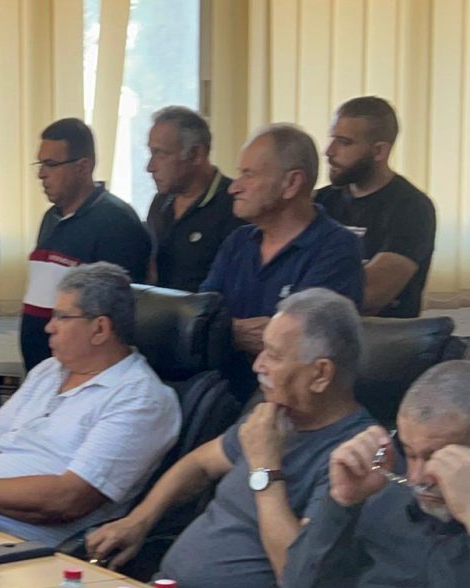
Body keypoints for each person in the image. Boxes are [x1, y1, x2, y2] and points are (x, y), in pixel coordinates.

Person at [86, 288, 374, 588]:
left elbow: (297, 579)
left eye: (274, 355)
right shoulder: (274, 416)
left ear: (321, 374)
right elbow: (199, 464)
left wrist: (265, 467)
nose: (258, 365)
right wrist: (139, 521)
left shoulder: (352, 460)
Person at [0, 263, 179, 546]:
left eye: (62, 317)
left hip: (25, 548)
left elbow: (68, 499)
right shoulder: (49, 370)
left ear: (100, 329)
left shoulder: (140, 399)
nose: (48, 327)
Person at [279, 360, 470, 588]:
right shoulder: (383, 495)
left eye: (438, 456)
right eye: (409, 453)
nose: (417, 478)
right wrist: (341, 504)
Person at [200, 123, 364, 399]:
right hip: (219, 392)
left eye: (248, 175)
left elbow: (300, 344)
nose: (234, 188)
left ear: (291, 183)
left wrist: (224, 332)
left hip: (290, 402)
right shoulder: (238, 242)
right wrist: (233, 332)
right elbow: (201, 319)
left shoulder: (337, 248)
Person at [20, 118, 154, 371]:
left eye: (51, 164)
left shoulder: (116, 222)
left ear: (83, 167)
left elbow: (118, 315)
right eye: (40, 164)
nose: (41, 174)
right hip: (45, 372)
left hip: (87, 373)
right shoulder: (51, 218)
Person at [315, 96, 436, 318]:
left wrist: (307, 284)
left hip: (383, 334)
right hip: (319, 328)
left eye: (344, 142)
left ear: (379, 151)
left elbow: (369, 294)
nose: (329, 151)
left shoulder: (412, 208)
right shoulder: (319, 201)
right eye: (332, 138)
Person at [145, 106, 243, 292]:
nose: (150, 167)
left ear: (196, 154)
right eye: (151, 153)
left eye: (161, 154)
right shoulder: (160, 203)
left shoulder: (235, 206)